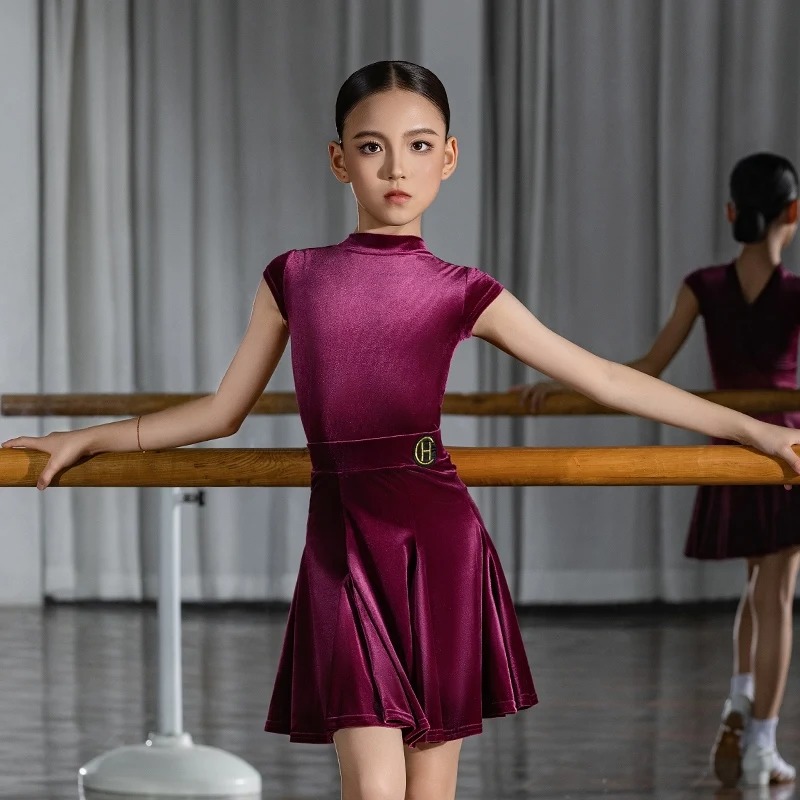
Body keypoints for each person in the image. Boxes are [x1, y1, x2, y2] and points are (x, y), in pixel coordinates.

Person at [5, 65, 800, 800]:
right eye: (372, 147)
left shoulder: (463, 291)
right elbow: (221, 412)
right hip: (340, 543)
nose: (395, 168)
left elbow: (608, 378)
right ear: (338, 159)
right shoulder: (295, 277)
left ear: (447, 158)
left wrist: (752, 433)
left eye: (418, 147)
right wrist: (89, 438)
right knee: (375, 790)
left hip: (438, 540)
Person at [520, 152, 800, 789]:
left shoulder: (704, 284)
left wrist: (561, 386)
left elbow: (643, 369)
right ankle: (760, 740)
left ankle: (741, 701)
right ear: (795, 213)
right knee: (775, 589)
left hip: (727, 441)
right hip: (782, 442)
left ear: (733, 213)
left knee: (758, 582)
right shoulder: (793, 292)